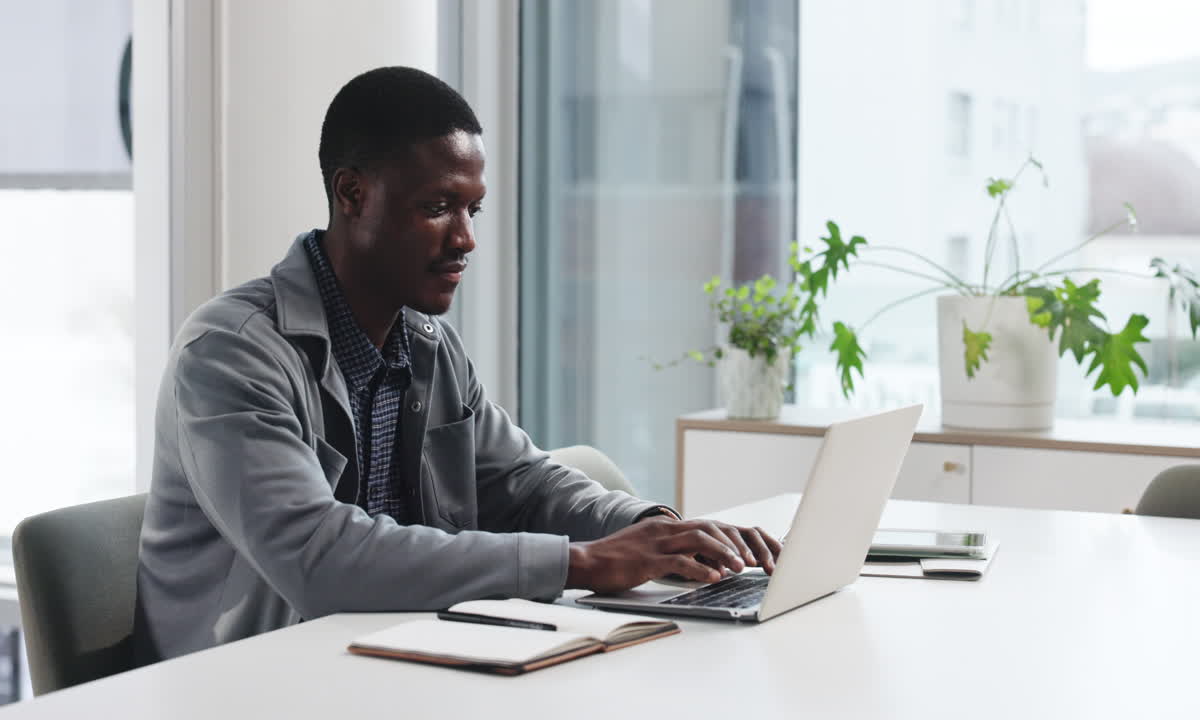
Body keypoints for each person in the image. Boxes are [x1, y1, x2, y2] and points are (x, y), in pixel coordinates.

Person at [133, 66, 780, 665]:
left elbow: (524, 484)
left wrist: (653, 531)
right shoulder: (230, 353)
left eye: (474, 209)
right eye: (438, 207)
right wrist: (581, 563)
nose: (466, 237)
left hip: (390, 662)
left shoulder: (428, 345)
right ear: (352, 194)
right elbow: (319, 559)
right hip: (247, 684)